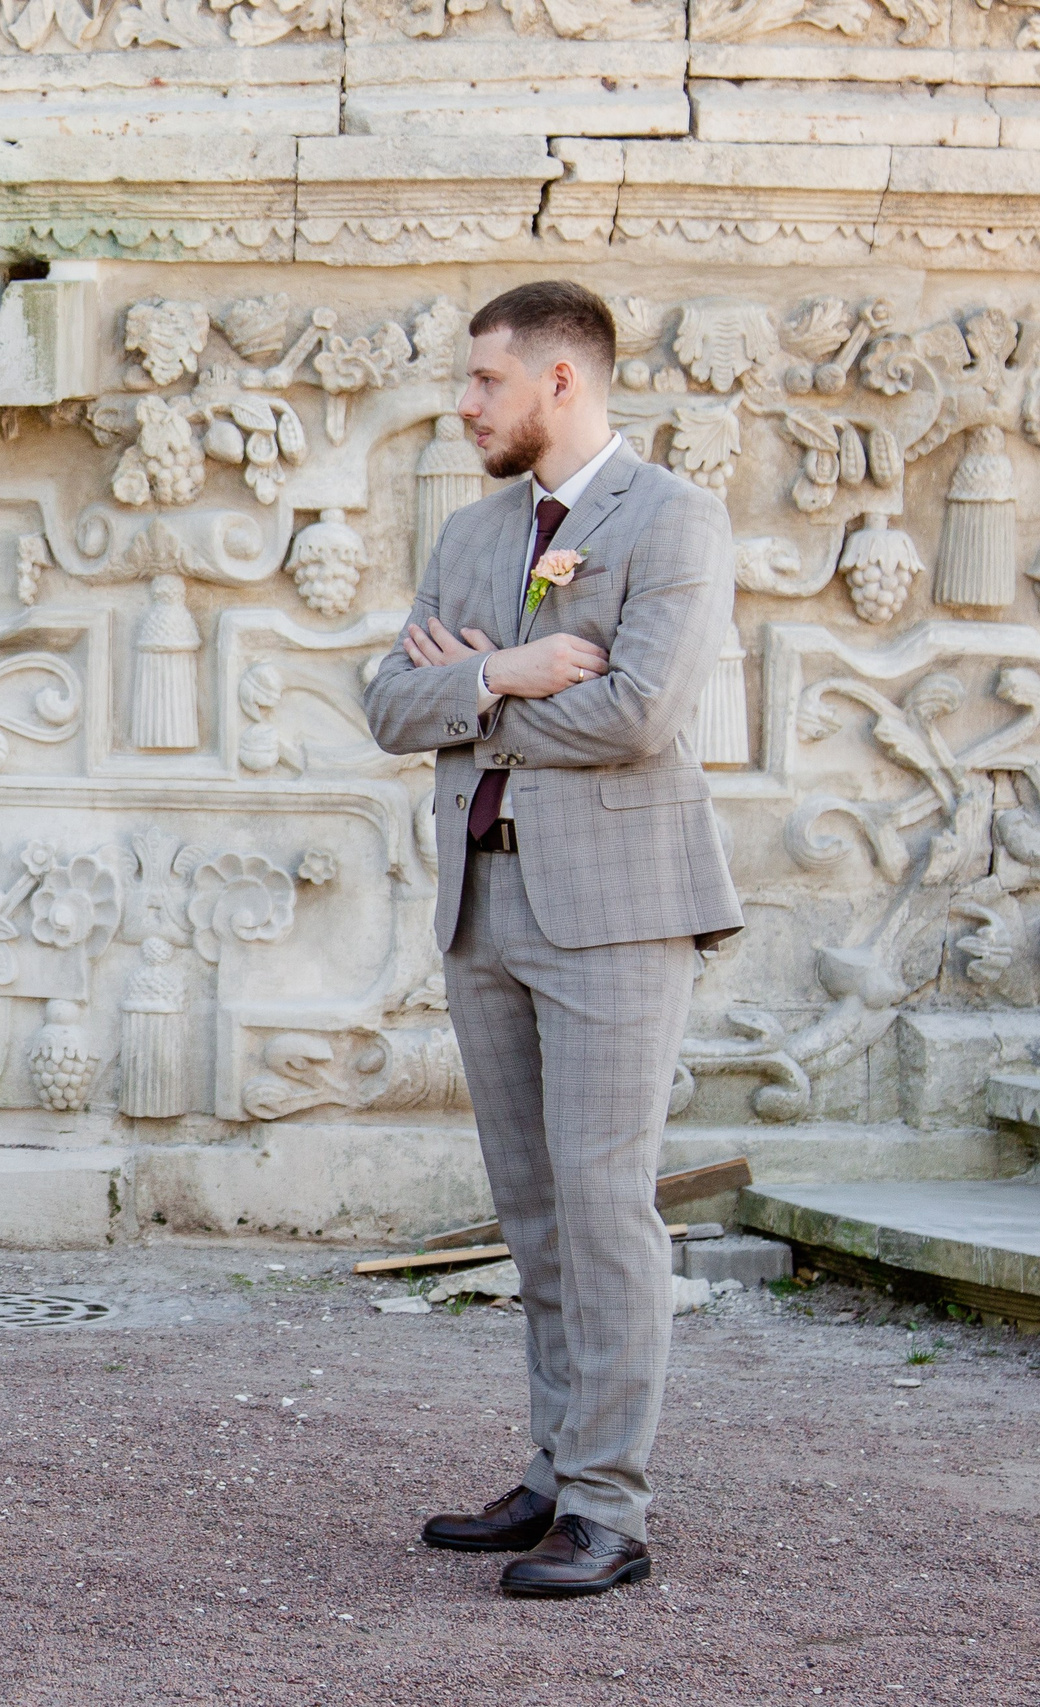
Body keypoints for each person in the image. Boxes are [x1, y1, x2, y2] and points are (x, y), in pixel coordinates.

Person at [364, 280, 742, 1599]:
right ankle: (552, 1472)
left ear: (560, 381)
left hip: (621, 908)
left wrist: (468, 696)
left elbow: (639, 715)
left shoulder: (677, 517)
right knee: (531, 1210)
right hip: (487, 901)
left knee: (601, 1201)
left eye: (484, 382)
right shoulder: (473, 532)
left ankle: (610, 1510)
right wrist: (503, 676)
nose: (464, 403)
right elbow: (388, 703)